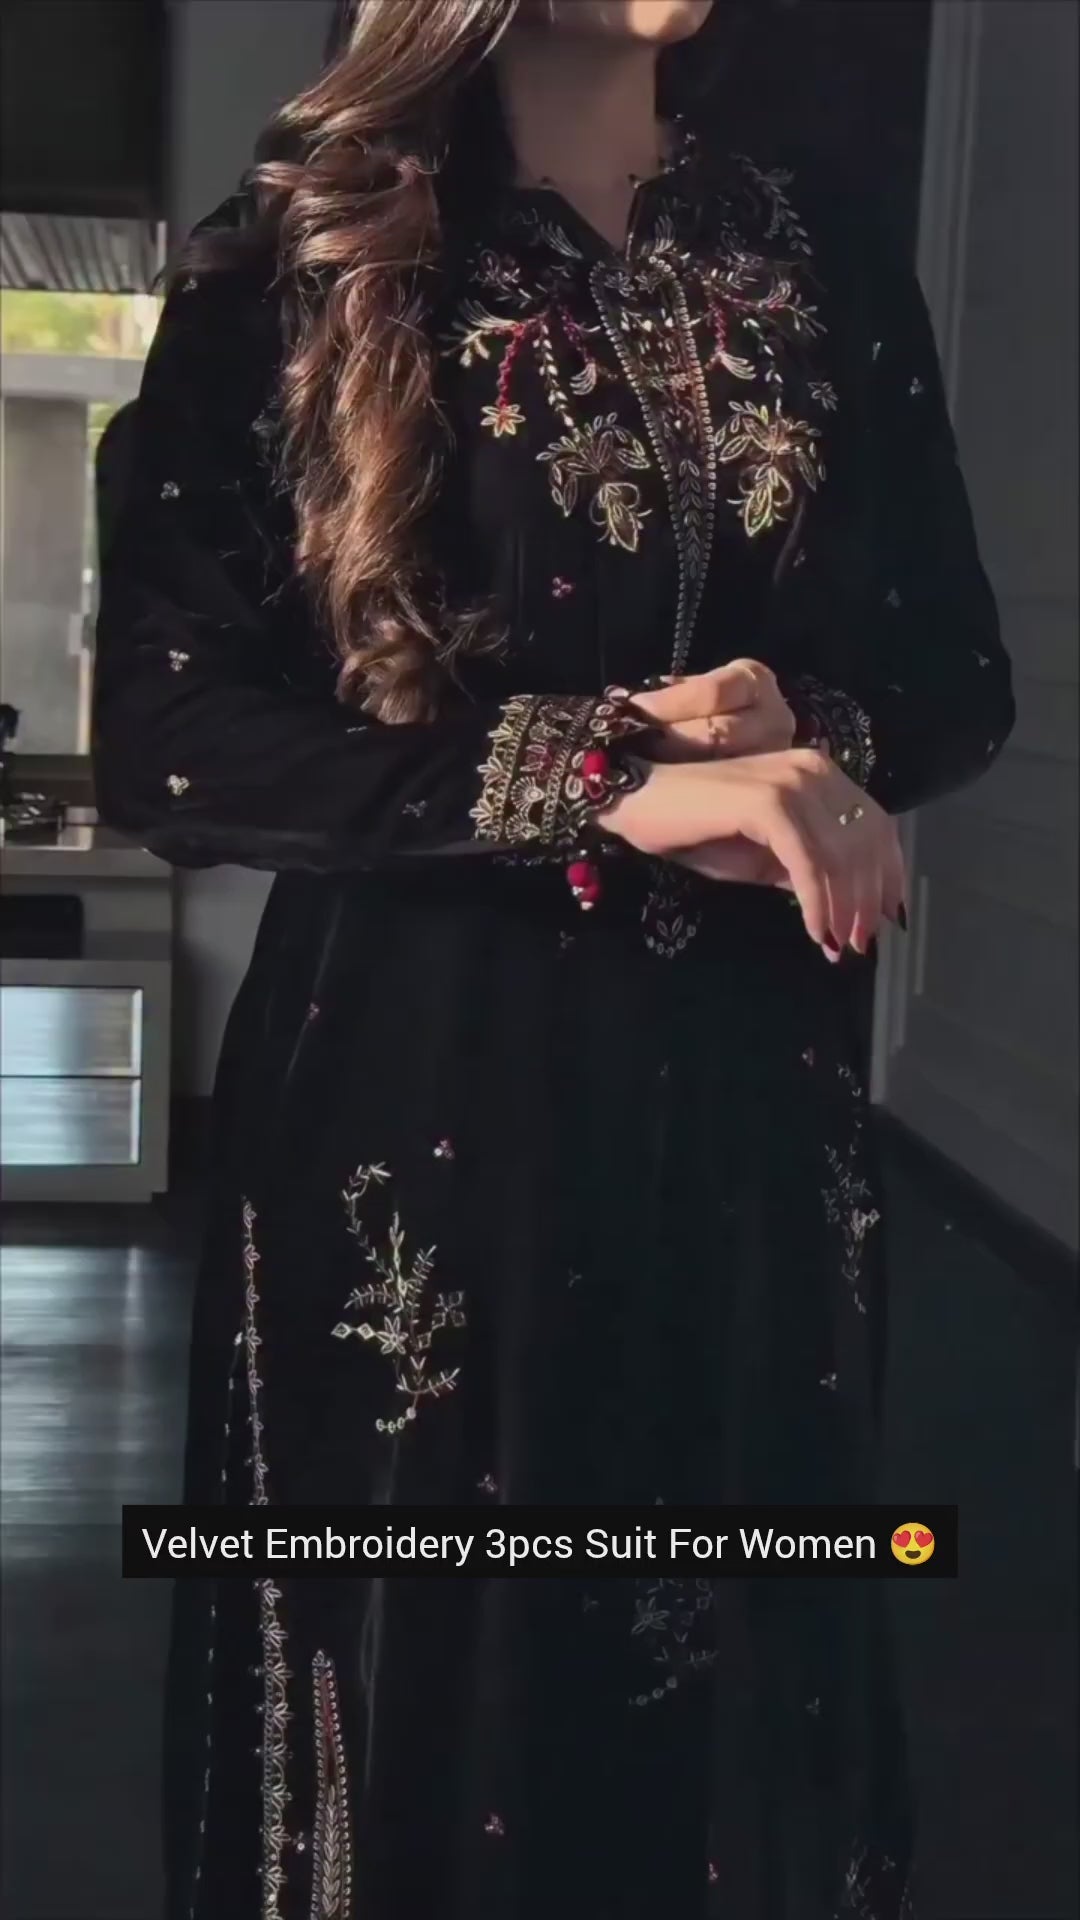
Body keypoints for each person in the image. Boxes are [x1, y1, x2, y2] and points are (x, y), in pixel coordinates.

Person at [93, 2, 1014, 1915]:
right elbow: (175, 741)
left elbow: (956, 673)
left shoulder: (818, 252)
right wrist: (601, 778)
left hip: (747, 1106)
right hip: (422, 1107)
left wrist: (800, 727)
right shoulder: (310, 250)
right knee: (434, 1683)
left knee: (728, 1657)